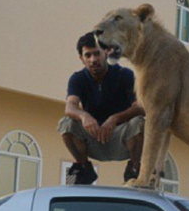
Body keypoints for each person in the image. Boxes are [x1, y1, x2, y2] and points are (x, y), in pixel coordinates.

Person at [58, 32, 145, 185]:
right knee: (67, 123)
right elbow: (70, 107)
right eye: (88, 55)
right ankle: (84, 168)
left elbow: (140, 106)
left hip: (122, 139)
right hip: (94, 139)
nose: (93, 60)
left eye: (97, 54)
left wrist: (115, 119)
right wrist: (84, 116)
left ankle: (134, 169)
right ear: (81, 58)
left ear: (106, 52)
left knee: (139, 123)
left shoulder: (125, 75)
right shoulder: (78, 79)